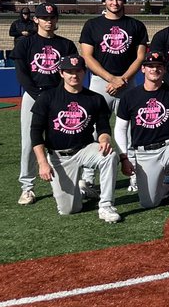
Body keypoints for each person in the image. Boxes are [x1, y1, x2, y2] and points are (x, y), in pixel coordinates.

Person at [30, 55, 120, 222]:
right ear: (61, 73)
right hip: (58, 156)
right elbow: (36, 132)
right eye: (69, 71)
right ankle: (83, 191)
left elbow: (103, 127)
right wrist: (43, 163)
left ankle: (106, 205)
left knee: (109, 155)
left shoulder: (94, 98)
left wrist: (104, 140)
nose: (74, 75)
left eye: (77, 71)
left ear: (84, 72)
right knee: (69, 210)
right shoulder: (47, 97)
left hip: (84, 149)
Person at [114, 50, 169, 217]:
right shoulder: (130, 96)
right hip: (144, 153)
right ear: (143, 69)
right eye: (150, 66)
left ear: (164, 69)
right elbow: (120, 128)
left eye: (158, 66)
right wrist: (124, 157)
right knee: (149, 203)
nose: (154, 69)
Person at [13, 1, 78, 206]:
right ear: (36, 20)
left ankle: (76, 182)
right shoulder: (25, 43)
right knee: (29, 143)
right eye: (44, 18)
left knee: (66, 140)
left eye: (52, 18)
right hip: (34, 97)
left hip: (59, 97)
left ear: (56, 19)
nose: (48, 21)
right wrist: (36, 94)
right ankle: (27, 187)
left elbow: (71, 74)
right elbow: (22, 74)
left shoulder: (66, 44)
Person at [79, 0, 147, 111]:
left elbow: (140, 57)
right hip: (100, 82)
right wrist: (111, 79)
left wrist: (123, 80)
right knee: (95, 129)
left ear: (124, 1)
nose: (114, 3)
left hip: (127, 82)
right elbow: (87, 56)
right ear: (104, 1)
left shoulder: (136, 25)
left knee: (128, 130)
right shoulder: (92, 25)